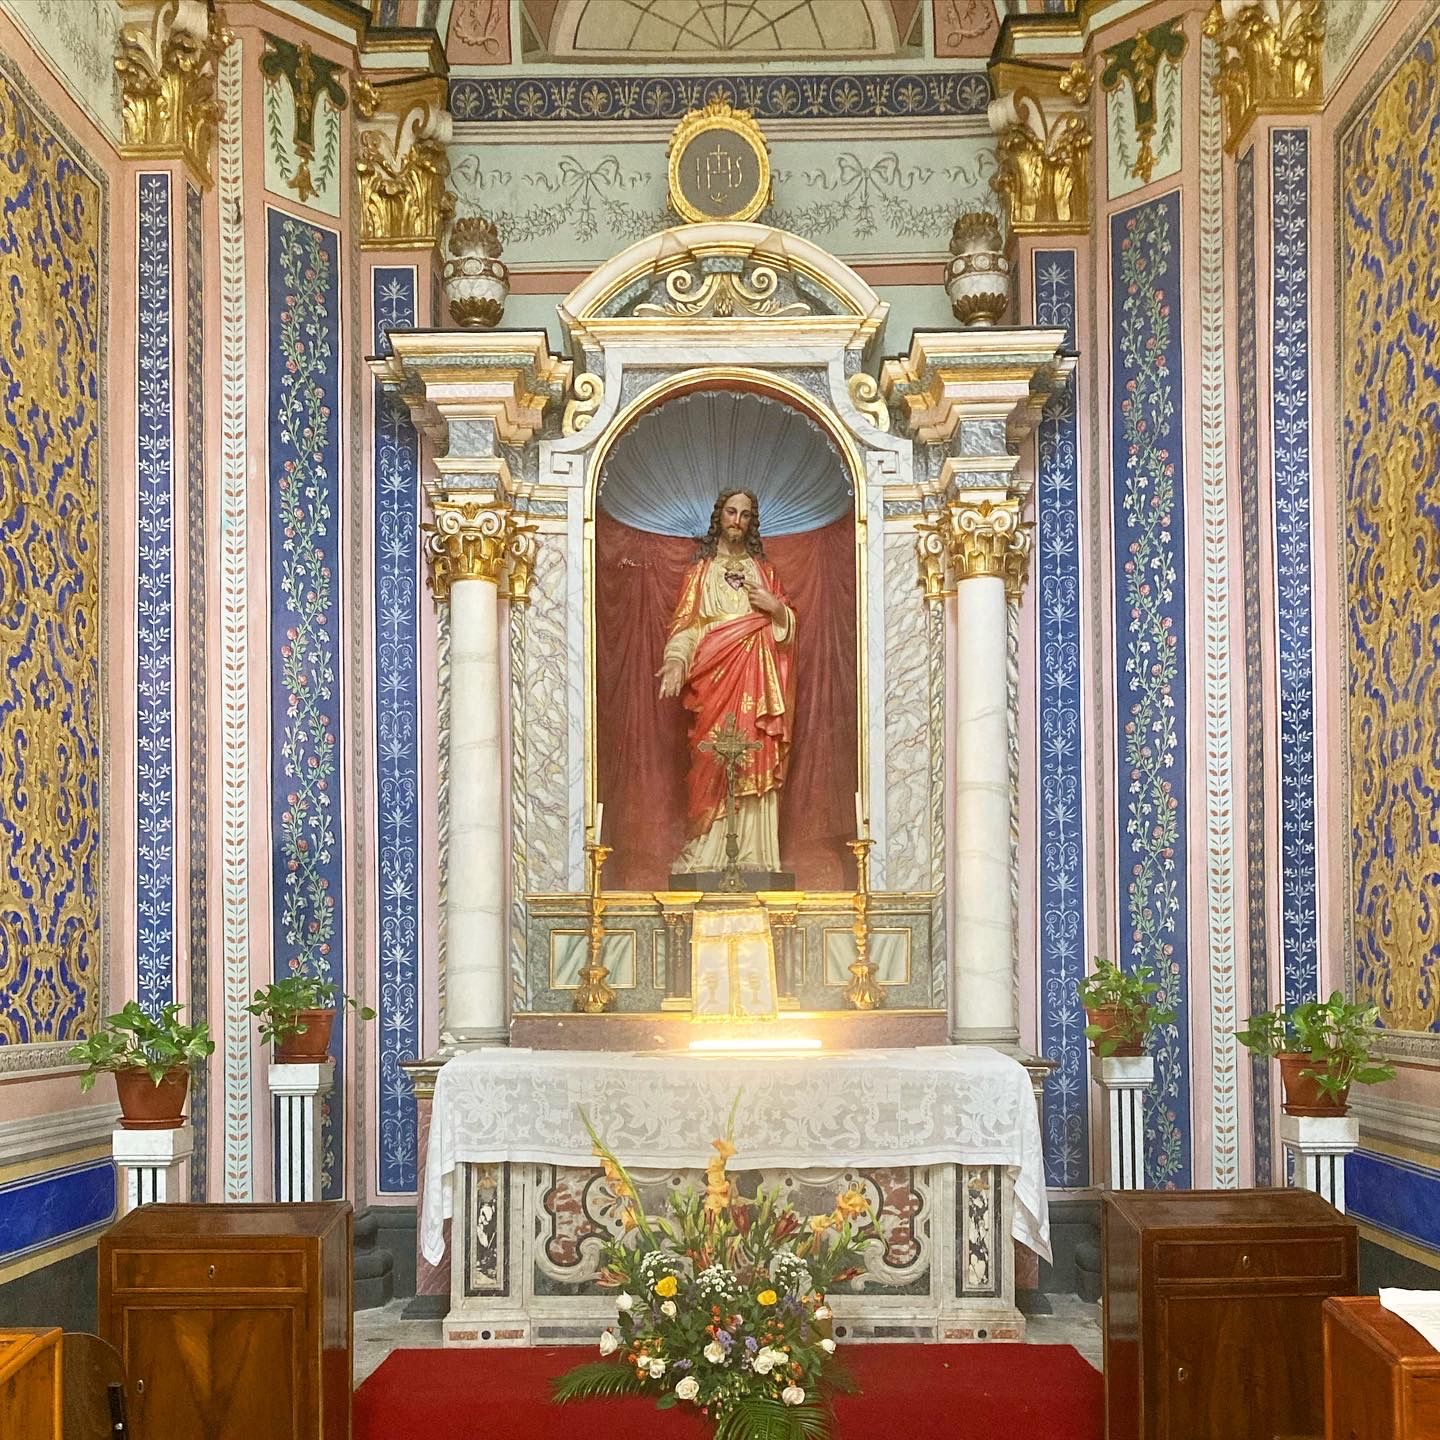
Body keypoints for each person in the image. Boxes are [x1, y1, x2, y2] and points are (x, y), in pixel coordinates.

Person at [656, 489, 795, 874]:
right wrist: (675, 660)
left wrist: (776, 609)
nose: (738, 520)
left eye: (746, 514)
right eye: (732, 512)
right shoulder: (700, 573)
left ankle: (755, 855)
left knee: (755, 754)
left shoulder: (764, 573)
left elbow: (788, 629)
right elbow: (686, 626)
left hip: (756, 678)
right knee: (712, 761)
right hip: (715, 679)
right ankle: (706, 851)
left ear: (753, 522)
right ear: (719, 517)